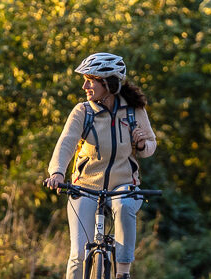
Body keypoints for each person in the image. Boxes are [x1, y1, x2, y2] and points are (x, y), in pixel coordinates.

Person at [45, 52, 157, 279]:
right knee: (78, 253)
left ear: (109, 83)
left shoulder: (135, 110)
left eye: (91, 80)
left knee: (125, 205)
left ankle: (122, 273)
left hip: (123, 184)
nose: (85, 85)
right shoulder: (82, 111)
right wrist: (57, 172)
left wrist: (142, 143)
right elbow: (66, 143)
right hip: (84, 186)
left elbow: (151, 145)